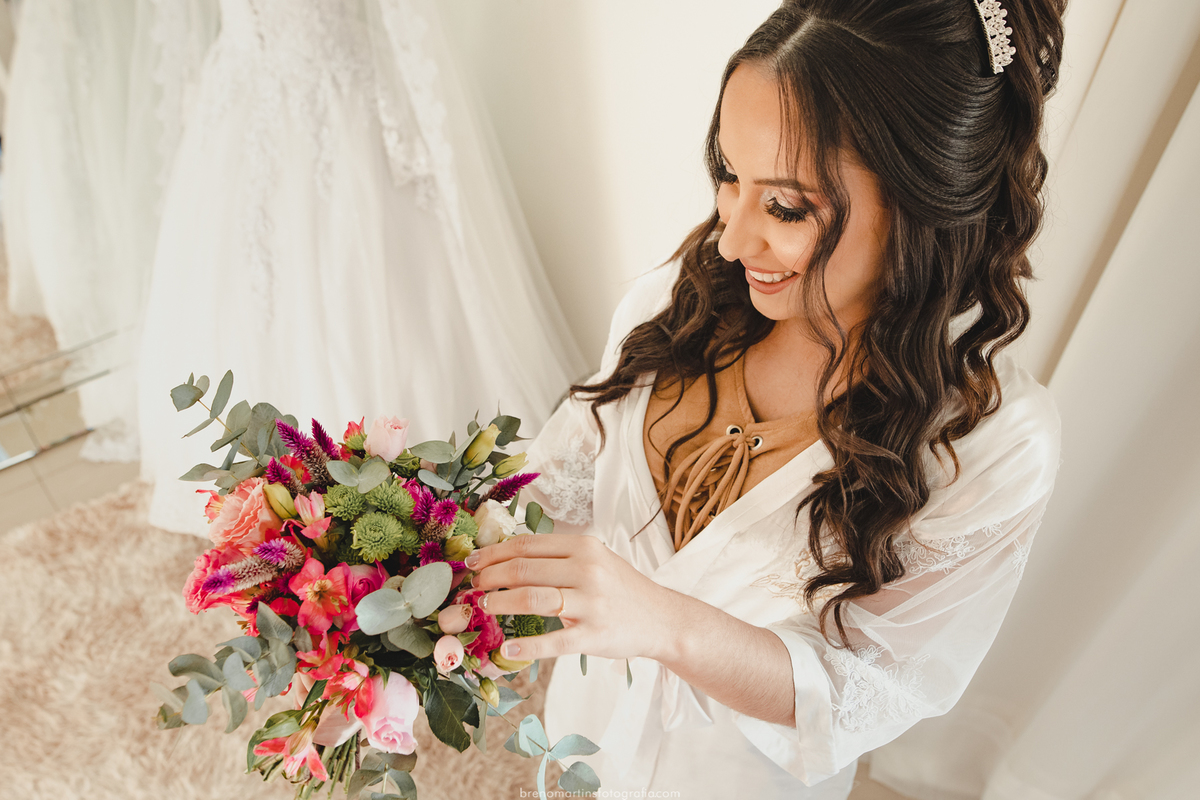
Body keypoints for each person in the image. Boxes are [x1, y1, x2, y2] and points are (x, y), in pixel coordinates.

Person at [464, 0, 1065, 795]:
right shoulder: (674, 304)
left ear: (922, 200)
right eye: (728, 176)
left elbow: (861, 692)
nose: (731, 239)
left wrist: (663, 622)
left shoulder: (993, 446)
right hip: (582, 747)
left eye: (785, 207)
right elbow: (555, 492)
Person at [136, 0, 587, 535]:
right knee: (240, 298)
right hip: (235, 100)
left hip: (335, 101)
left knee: (351, 294)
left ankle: (377, 491)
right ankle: (268, 498)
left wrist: (420, 133)